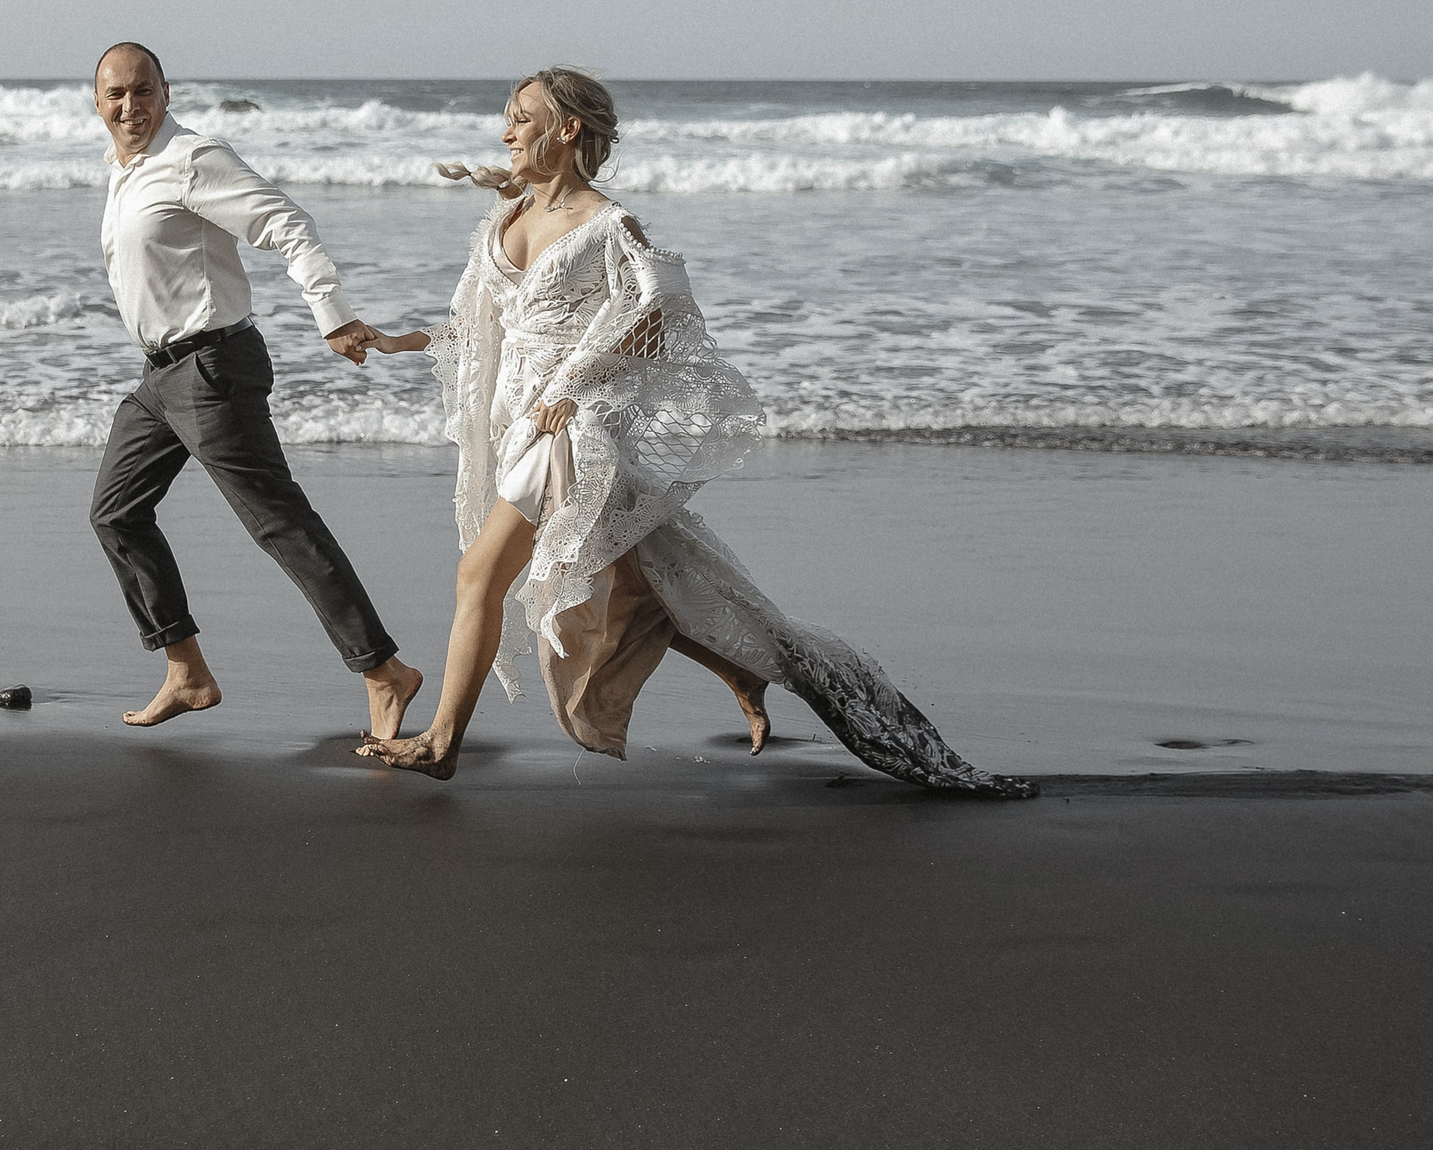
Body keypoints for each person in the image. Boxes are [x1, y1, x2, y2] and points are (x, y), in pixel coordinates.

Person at [355, 66, 1032, 797]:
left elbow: (660, 316)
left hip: (572, 434)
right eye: (508, 117)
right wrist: (396, 341)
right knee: (644, 580)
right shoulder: (506, 216)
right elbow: (480, 328)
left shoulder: (607, 224)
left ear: (568, 128)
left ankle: (442, 741)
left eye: (522, 117)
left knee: (479, 577)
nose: (505, 133)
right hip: (522, 424)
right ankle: (753, 668)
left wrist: (573, 384)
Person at [87, 42, 423, 740]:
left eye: (143, 90)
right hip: (160, 377)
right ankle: (186, 671)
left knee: (279, 524)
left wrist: (332, 314)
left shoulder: (191, 158)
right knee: (116, 513)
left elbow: (287, 223)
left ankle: (383, 670)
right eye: (116, 94)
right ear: (98, 102)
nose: (130, 105)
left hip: (213, 368)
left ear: (166, 92)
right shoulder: (124, 170)